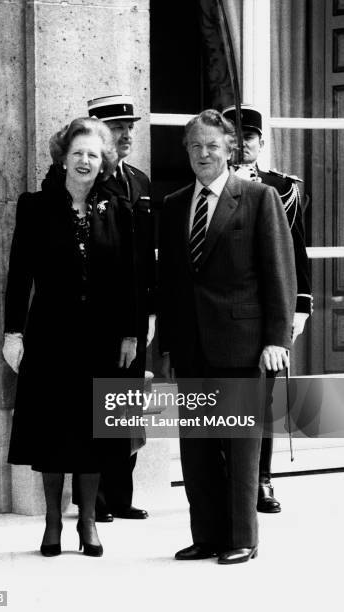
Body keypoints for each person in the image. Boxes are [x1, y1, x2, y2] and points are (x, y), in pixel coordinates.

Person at [158, 109, 296, 564]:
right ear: (187, 151)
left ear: (230, 149)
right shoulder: (175, 203)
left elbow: (280, 274)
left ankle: (242, 538)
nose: (203, 154)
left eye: (212, 146)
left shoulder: (259, 198)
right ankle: (209, 535)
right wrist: (167, 344)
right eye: (195, 146)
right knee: (197, 450)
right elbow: (172, 281)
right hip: (192, 346)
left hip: (244, 345)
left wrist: (278, 339)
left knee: (240, 451)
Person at [2, 117, 138, 557]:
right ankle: (52, 523)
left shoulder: (119, 210)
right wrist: (13, 334)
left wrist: (131, 334)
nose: (84, 161)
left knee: (94, 433)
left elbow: (131, 280)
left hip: (101, 340)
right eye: (78, 152)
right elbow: (20, 275)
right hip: (50, 338)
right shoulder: (35, 206)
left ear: (104, 163)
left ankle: (89, 524)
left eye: (93, 155)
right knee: (53, 431)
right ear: (63, 158)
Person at [222, 104, 313, 513]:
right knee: (223, 397)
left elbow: (296, 253)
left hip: (268, 311)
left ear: (261, 141)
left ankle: (261, 481)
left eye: (250, 138)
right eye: (236, 137)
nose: (243, 144)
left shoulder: (283, 189)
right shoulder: (212, 185)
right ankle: (226, 479)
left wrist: (298, 309)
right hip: (224, 311)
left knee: (262, 400)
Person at [77, 94, 156, 521]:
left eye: (130, 127)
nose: (127, 135)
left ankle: (121, 495)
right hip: (98, 314)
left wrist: (150, 312)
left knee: (128, 400)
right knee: (96, 401)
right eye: (117, 128)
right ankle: (94, 498)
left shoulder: (140, 181)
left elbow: (147, 256)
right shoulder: (84, 181)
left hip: (135, 312)